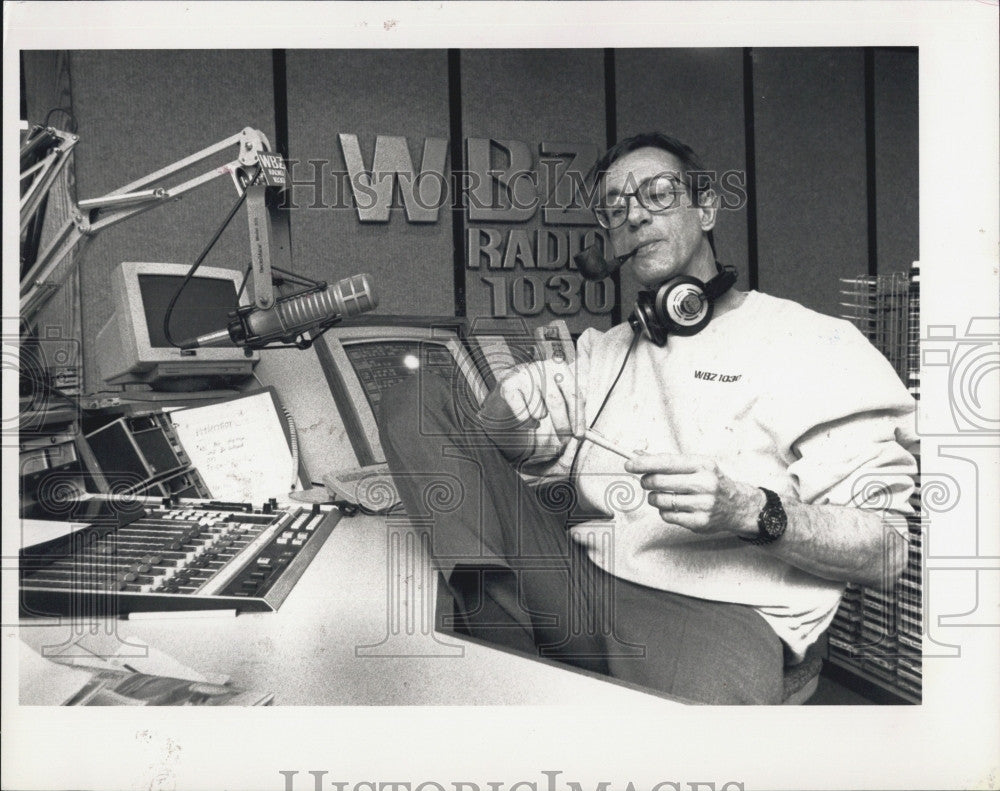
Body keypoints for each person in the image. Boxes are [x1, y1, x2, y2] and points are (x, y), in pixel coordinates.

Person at [379, 131, 918, 704]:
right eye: (615, 209)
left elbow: (886, 550)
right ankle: (504, 659)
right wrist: (504, 413)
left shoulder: (815, 342)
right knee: (414, 398)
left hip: (718, 617)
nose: (633, 215)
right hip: (579, 587)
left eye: (657, 195)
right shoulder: (602, 351)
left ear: (706, 208)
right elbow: (491, 458)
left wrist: (747, 508)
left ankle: (511, 677)